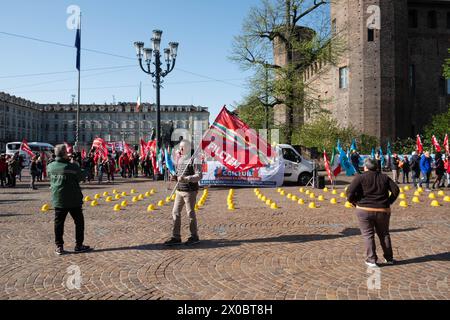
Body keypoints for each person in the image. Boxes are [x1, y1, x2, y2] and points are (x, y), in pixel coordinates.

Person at [347, 157, 400, 267]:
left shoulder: (360, 177)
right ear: (376, 167)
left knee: (368, 235)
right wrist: (388, 202)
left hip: (364, 210)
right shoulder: (384, 177)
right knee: (384, 234)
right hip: (383, 210)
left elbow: (349, 191)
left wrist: (353, 201)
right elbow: (396, 190)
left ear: (365, 167)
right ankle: (389, 258)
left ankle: (371, 260)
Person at [47, 144, 92, 255]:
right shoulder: (72, 166)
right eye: (66, 152)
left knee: (59, 223)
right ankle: (79, 245)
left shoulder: (51, 166)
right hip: (73, 200)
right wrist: (78, 164)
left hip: (58, 199)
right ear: (64, 154)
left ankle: (59, 246)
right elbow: (82, 177)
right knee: (79, 222)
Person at [165, 140, 202, 246]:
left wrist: (186, 178)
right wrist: (175, 177)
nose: (180, 149)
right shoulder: (180, 159)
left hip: (190, 191)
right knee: (175, 212)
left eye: (183, 147)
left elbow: (199, 176)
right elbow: (179, 174)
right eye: (180, 147)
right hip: (179, 191)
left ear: (188, 148)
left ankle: (194, 236)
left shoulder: (195, 159)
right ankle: (176, 237)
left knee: (190, 213)